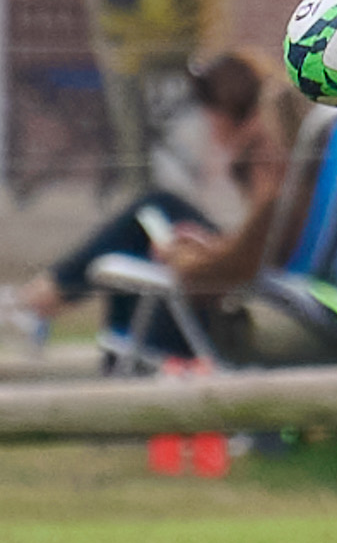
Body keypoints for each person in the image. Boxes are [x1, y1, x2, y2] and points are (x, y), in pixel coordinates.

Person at [2, 51, 305, 357]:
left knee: (149, 222)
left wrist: (187, 257)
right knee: (151, 220)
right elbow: (257, 247)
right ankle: (39, 300)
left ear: (229, 112)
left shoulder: (266, 162)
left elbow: (246, 261)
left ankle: (37, 301)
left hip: (247, 301)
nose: (207, 122)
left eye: (208, 109)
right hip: (261, 285)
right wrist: (208, 245)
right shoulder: (278, 165)